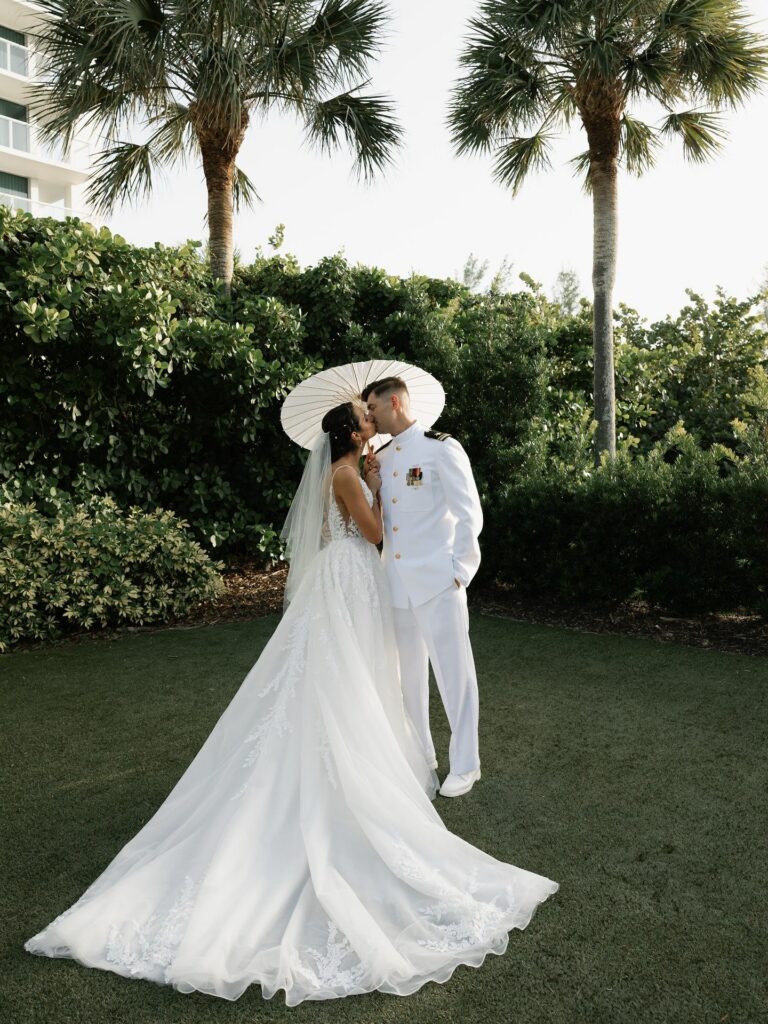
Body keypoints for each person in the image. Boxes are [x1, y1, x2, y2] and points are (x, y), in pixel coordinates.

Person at [24, 400, 557, 1006]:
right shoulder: (347, 475)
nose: (372, 422)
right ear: (354, 432)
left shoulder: (371, 466)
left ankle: (416, 758)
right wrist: (378, 489)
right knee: (344, 677)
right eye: (365, 417)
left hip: (355, 577)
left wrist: (388, 496)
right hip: (353, 575)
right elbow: (376, 534)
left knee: (354, 675)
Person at [363, 377, 483, 797]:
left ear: (394, 401)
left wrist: (460, 572)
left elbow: (470, 514)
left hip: (437, 581)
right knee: (407, 679)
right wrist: (373, 484)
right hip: (395, 584)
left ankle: (466, 765)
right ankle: (423, 758)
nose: (370, 416)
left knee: (455, 674)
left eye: (373, 407)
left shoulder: (440, 448)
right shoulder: (380, 456)